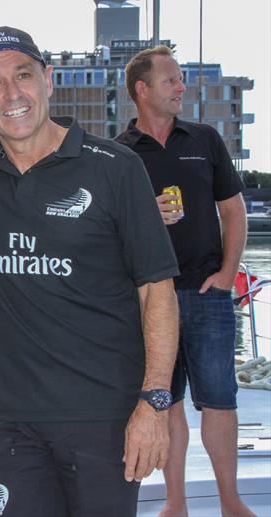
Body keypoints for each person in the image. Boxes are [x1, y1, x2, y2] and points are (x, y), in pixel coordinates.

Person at [0, 27, 181, 516]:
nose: (13, 93)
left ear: (48, 80)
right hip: (13, 425)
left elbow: (157, 290)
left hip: (104, 419)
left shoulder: (114, 167)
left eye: (23, 75)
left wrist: (154, 403)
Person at [116, 45, 252, 517]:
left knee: (219, 402)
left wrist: (228, 275)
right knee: (167, 402)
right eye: (171, 79)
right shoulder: (118, 154)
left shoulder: (206, 139)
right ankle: (176, 504)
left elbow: (233, 212)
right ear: (142, 89)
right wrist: (144, 218)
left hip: (206, 293)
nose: (182, 87)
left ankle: (231, 502)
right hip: (151, 301)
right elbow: (107, 234)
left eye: (181, 79)